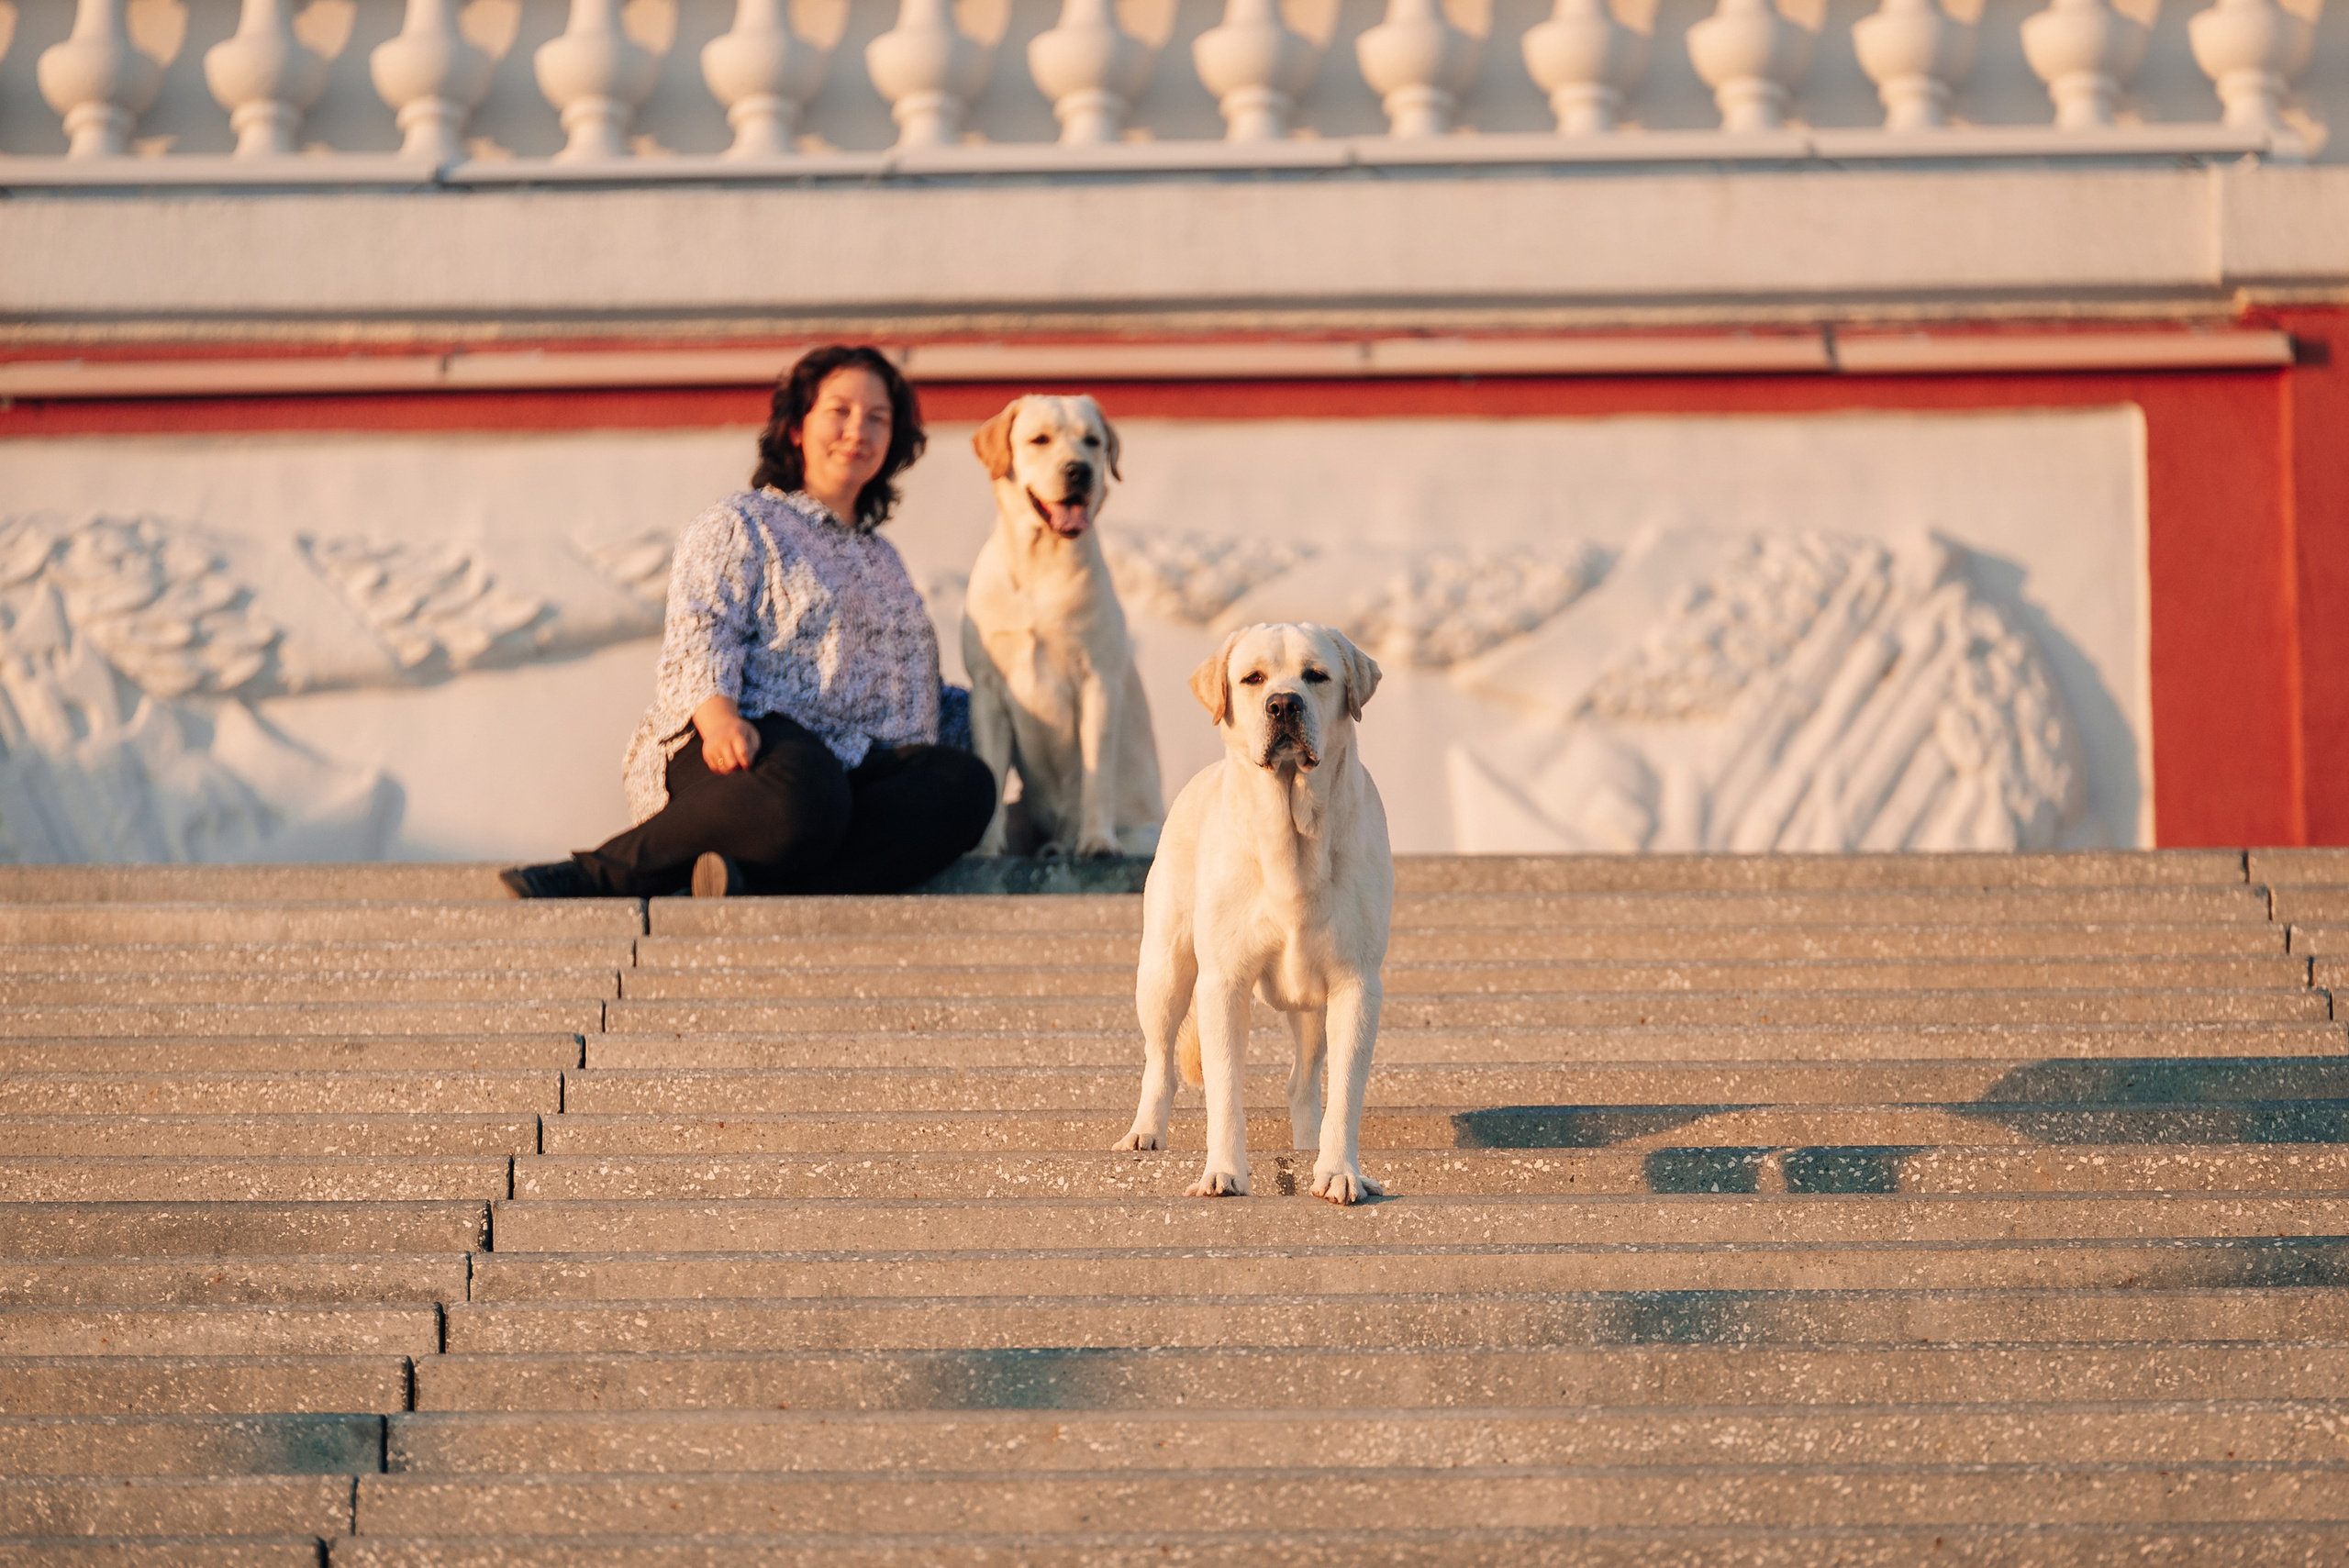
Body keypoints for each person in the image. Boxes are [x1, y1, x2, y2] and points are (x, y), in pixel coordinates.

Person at [500, 346, 996, 899]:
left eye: (878, 418)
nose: (859, 429)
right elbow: (702, 629)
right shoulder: (744, 522)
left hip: (851, 771)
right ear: (795, 429)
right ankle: (597, 874)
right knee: (806, 790)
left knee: (965, 788)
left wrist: (1018, 711)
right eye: (840, 411)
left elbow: (918, 696)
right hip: (744, 748)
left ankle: (754, 884)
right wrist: (719, 721)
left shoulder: (886, 563)